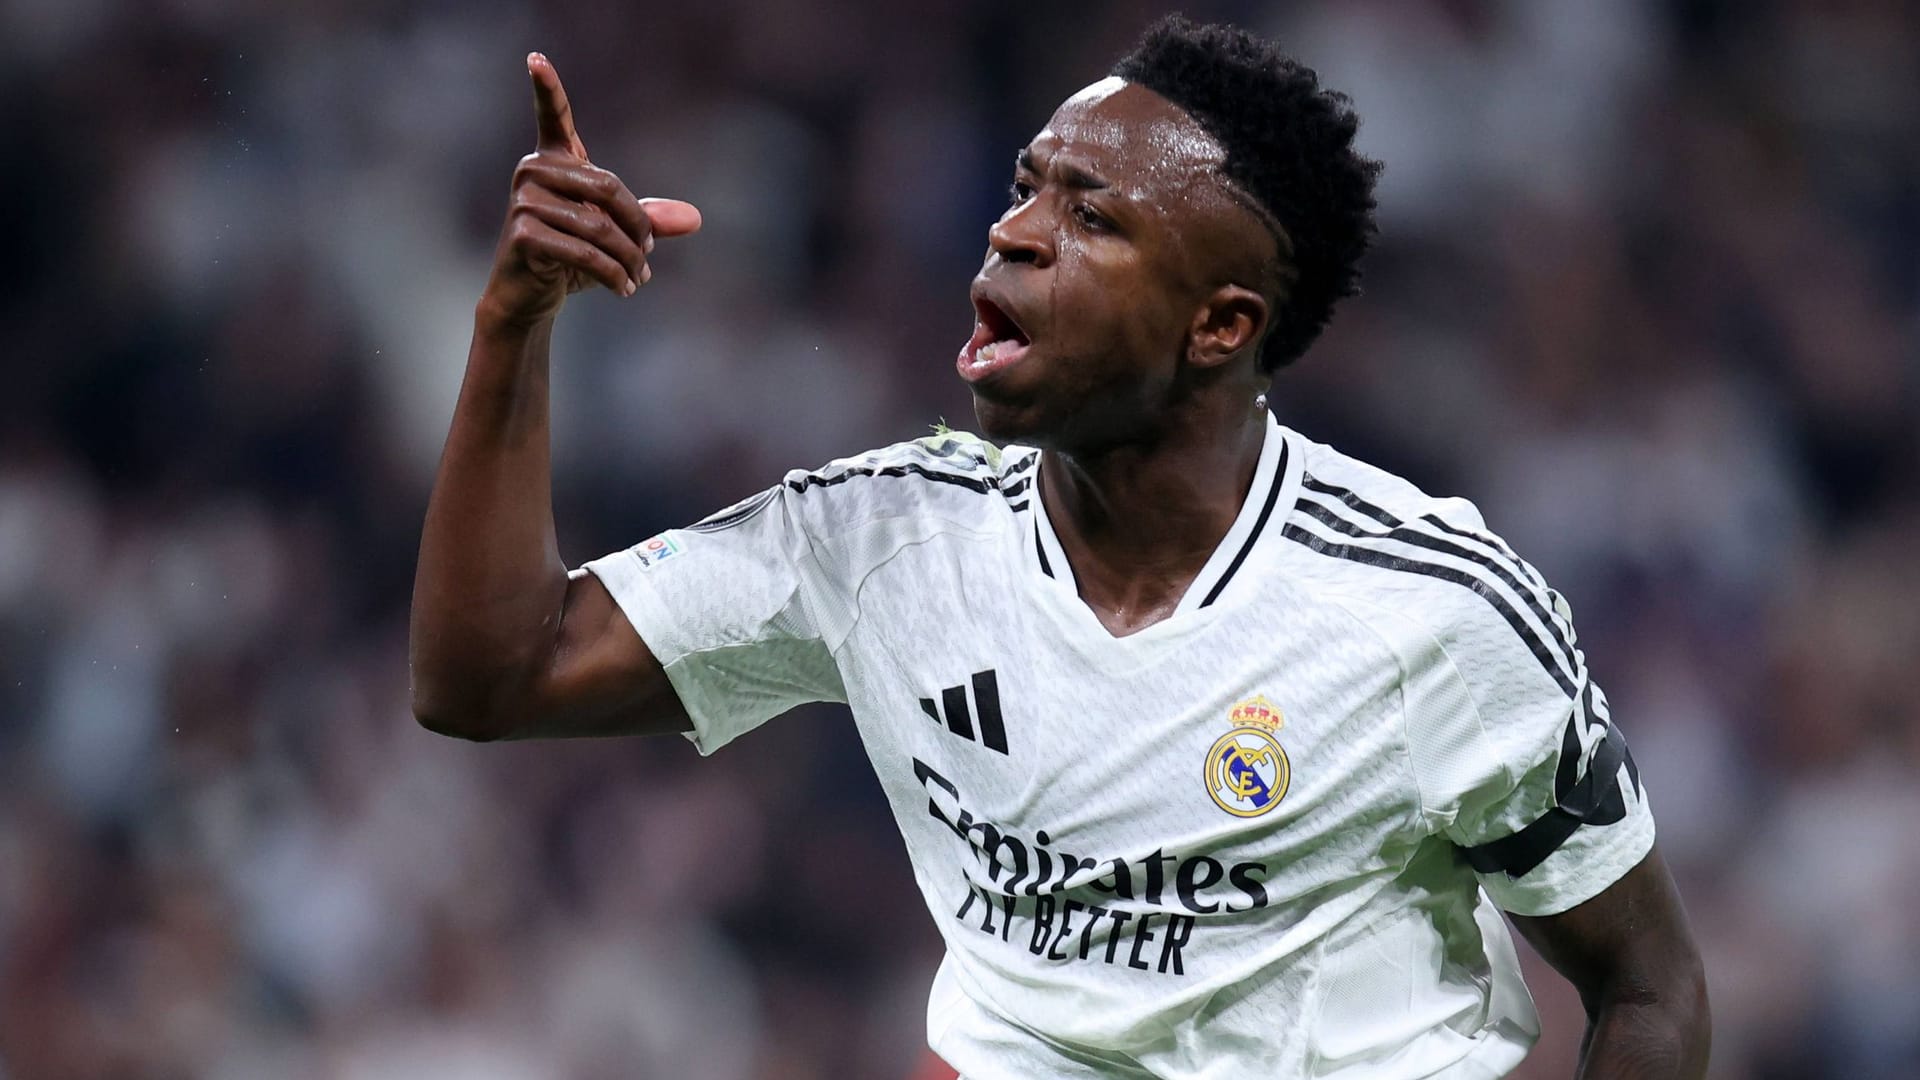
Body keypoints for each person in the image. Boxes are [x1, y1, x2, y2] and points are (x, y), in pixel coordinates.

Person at [409, 17, 1710, 1078]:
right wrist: (513, 323)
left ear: (1219, 325)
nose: (1016, 230)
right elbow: (492, 677)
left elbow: (1648, 989)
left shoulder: (1431, 610)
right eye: (1028, 187)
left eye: (1092, 218)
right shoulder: (881, 535)